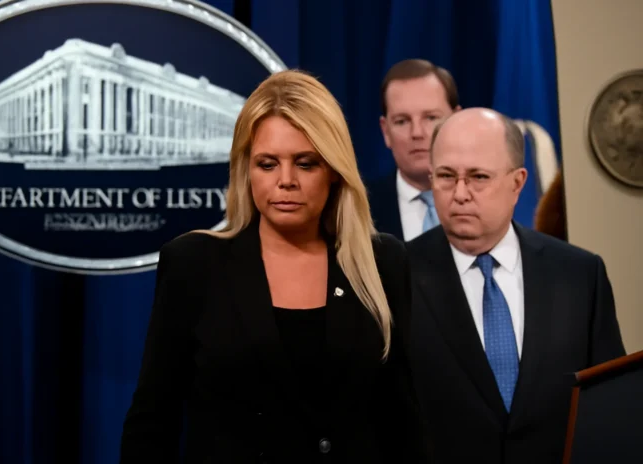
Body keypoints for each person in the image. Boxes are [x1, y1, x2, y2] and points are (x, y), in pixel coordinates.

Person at [119, 70, 424, 463]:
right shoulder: (193, 264)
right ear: (246, 169)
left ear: (334, 170)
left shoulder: (382, 262)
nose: (286, 180)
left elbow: (403, 422)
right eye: (267, 164)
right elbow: (152, 422)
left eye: (306, 163)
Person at [399, 108, 625, 464]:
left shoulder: (579, 275)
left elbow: (610, 407)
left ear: (517, 183)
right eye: (446, 176)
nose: (460, 193)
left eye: (478, 177)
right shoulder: (395, 274)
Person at [368, 59, 461, 241]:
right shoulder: (358, 209)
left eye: (431, 118)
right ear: (386, 131)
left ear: (456, 121)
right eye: (402, 121)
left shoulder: (488, 202)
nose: (417, 133)